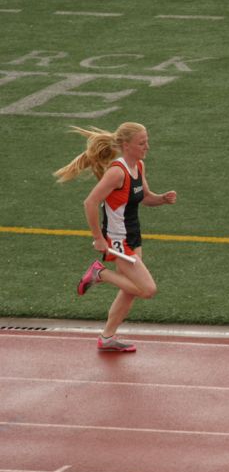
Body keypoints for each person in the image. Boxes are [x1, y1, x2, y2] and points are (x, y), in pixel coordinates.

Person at [54, 123, 177, 352]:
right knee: (148, 290)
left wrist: (162, 199)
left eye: (146, 141)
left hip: (133, 235)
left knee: (130, 291)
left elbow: (144, 197)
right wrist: (99, 238)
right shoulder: (116, 172)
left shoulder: (138, 166)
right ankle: (99, 273)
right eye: (142, 143)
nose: (147, 146)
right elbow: (90, 202)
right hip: (117, 240)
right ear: (126, 145)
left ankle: (107, 337)